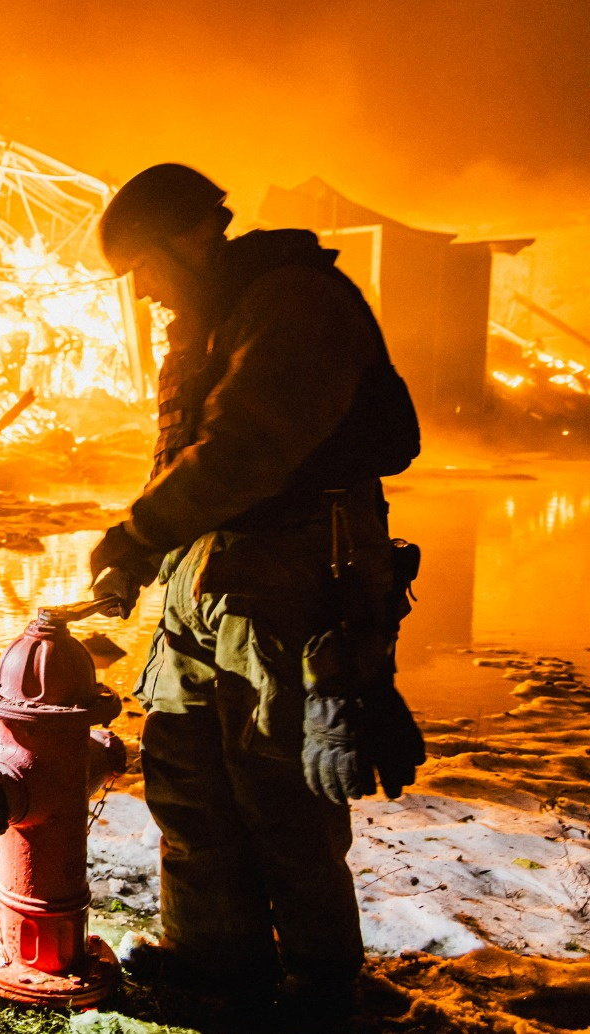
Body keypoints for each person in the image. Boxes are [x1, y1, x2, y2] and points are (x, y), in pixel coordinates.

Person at [87, 164, 426, 1029]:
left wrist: (137, 533)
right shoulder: (206, 321)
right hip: (210, 580)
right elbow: (185, 458)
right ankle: (214, 960)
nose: (146, 294)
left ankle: (319, 984)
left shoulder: (294, 303)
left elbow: (245, 451)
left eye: (146, 269)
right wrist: (143, 559)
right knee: (187, 776)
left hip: (293, 580)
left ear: (194, 235)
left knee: (282, 789)